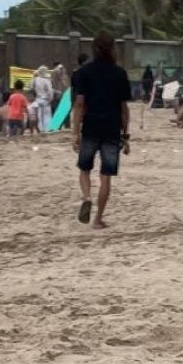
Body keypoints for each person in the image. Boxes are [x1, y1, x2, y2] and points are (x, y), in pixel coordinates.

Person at [72, 32, 131, 229]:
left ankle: (87, 197)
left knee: (84, 169)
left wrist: (75, 133)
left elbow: (80, 104)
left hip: (90, 127)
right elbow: (123, 108)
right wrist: (126, 135)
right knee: (106, 176)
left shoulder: (84, 73)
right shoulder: (120, 74)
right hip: (112, 130)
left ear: (94, 49)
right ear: (113, 48)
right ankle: (97, 219)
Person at [34, 66, 53, 131]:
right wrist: (50, 99)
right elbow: (50, 91)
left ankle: (41, 128)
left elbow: (34, 89)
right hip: (45, 99)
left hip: (38, 99)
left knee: (39, 115)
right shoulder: (47, 80)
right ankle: (47, 129)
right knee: (46, 115)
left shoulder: (36, 80)